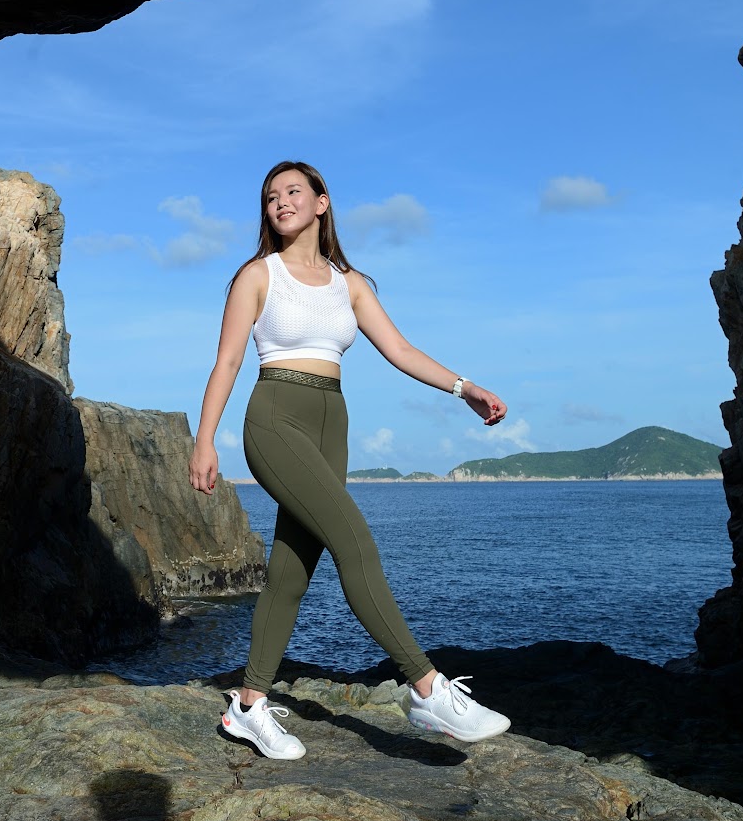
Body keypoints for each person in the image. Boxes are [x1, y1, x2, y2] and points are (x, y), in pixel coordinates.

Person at [189, 160, 512, 760]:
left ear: (322, 202)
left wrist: (464, 387)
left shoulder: (351, 283)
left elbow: (400, 349)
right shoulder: (257, 275)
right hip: (274, 418)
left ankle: (248, 705)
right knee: (355, 543)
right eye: (271, 196)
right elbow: (227, 360)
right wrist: (205, 439)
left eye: (293, 191)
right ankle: (426, 688)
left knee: (291, 571)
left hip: (330, 424)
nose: (281, 202)